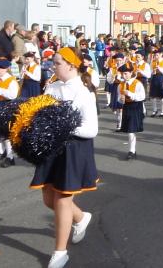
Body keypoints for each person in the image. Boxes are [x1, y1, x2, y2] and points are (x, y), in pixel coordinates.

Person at [30, 47, 98, 268]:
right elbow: (41, 113)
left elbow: (91, 130)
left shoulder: (83, 92)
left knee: (61, 199)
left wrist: (63, 127)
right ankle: (80, 218)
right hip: (52, 148)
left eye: (57, 63)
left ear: (70, 64)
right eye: (52, 63)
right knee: (49, 199)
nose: (52, 66)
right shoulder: (51, 86)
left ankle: (60, 252)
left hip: (73, 149)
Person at [117, 63, 145, 159]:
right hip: (127, 107)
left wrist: (129, 93)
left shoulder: (137, 83)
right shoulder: (121, 85)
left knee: (131, 130)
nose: (124, 76)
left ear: (131, 73)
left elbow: (142, 96)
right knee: (129, 129)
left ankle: (132, 151)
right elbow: (118, 98)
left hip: (136, 106)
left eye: (126, 73)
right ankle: (132, 150)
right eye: (122, 74)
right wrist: (121, 99)